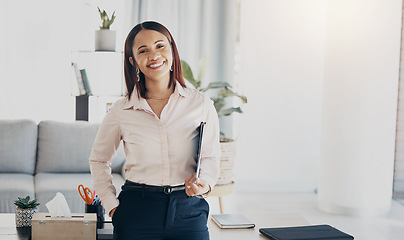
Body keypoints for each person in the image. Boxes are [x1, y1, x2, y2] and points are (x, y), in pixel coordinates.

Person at [89, 21, 221, 240]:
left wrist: (204, 183)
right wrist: (112, 207)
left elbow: (210, 156)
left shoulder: (200, 103)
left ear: (172, 50)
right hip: (136, 211)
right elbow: (99, 160)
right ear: (133, 61)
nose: (154, 55)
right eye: (143, 50)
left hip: (188, 210)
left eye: (160, 46)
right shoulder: (122, 110)